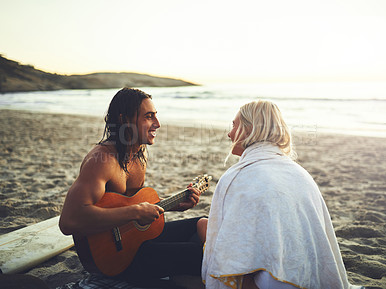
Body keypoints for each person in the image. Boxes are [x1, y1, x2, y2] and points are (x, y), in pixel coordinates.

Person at [202, 100, 364, 289]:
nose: (229, 134)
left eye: (233, 125)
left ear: (248, 129)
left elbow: (230, 254)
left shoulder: (237, 176)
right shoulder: (299, 173)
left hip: (273, 282)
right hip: (309, 278)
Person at [59, 87, 207, 287]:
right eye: (148, 117)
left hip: (135, 243)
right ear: (124, 120)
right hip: (114, 261)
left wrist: (173, 205)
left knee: (205, 225)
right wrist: (136, 211)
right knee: (198, 255)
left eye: (156, 116)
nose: (158, 124)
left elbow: (130, 209)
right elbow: (69, 220)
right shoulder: (101, 160)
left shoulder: (139, 154)